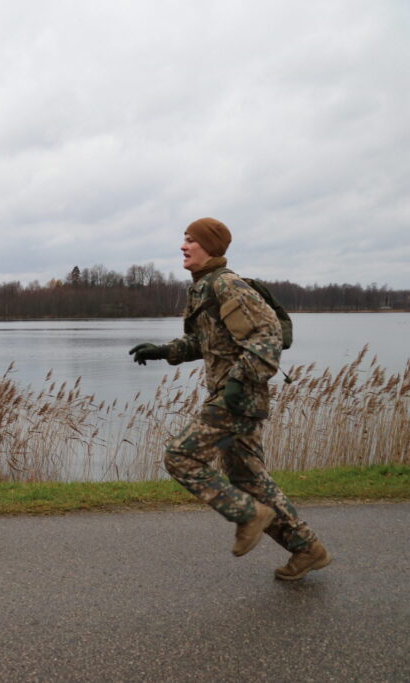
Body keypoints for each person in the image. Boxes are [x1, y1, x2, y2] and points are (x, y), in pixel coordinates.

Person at [128, 217, 331, 580]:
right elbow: (206, 343)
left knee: (180, 456)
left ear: (210, 247)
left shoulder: (227, 284)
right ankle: (307, 549)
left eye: (191, 240)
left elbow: (266, 335)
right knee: (249, 480)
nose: (183, 246)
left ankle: (248, 514)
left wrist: (239, 380)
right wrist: (164, 350)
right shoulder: (205, 287)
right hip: (235, 396)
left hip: (236, 398)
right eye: (184, 239)